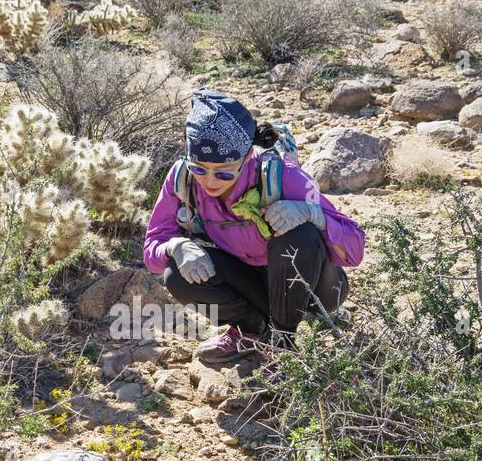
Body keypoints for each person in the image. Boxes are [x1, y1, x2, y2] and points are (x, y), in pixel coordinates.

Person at [143, 89, 366, 364]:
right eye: (199, 168)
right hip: (252, 282)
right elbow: (153, 248)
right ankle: (251, 330)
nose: (210, 181)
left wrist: (312, 214)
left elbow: (355, 249)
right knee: (176, 272)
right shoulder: (181, 180)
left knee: (299, 234)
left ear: (248, 154)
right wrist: (176, 245)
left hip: (314, 286)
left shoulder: (282, 175)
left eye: (223, 172)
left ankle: (283, 343)